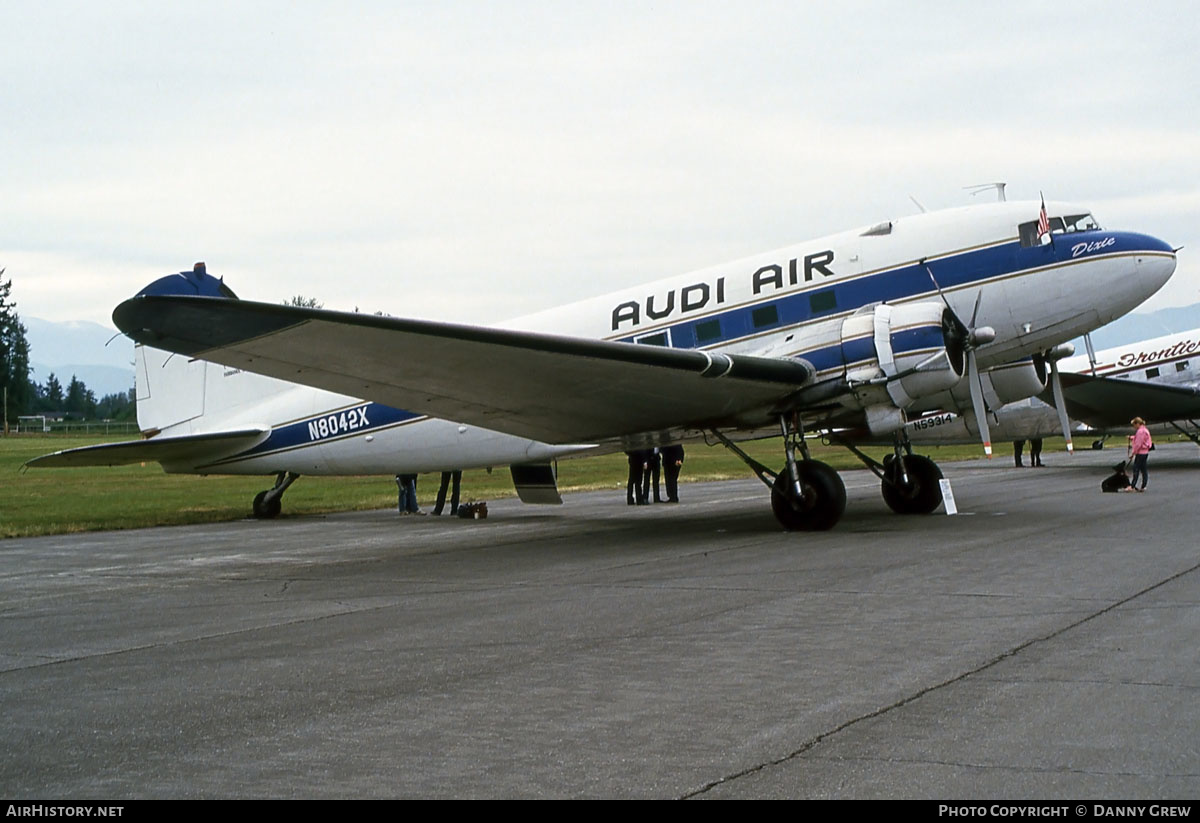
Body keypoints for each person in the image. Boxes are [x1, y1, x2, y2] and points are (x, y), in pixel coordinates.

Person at [1125, 417, 1152, 492]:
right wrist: (1131, 438)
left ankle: (1132, 486)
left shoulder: (1140, 431)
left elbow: (1138, 444)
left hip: (1140, 453)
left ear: (1137, 424)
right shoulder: (1144, 430)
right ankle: (1143, 486)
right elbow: (1139, 439)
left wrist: (1133, 453)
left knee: (1136, 469)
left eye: (1134, 425)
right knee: (1143, 469)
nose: (1134, 427)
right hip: (1145, 452)